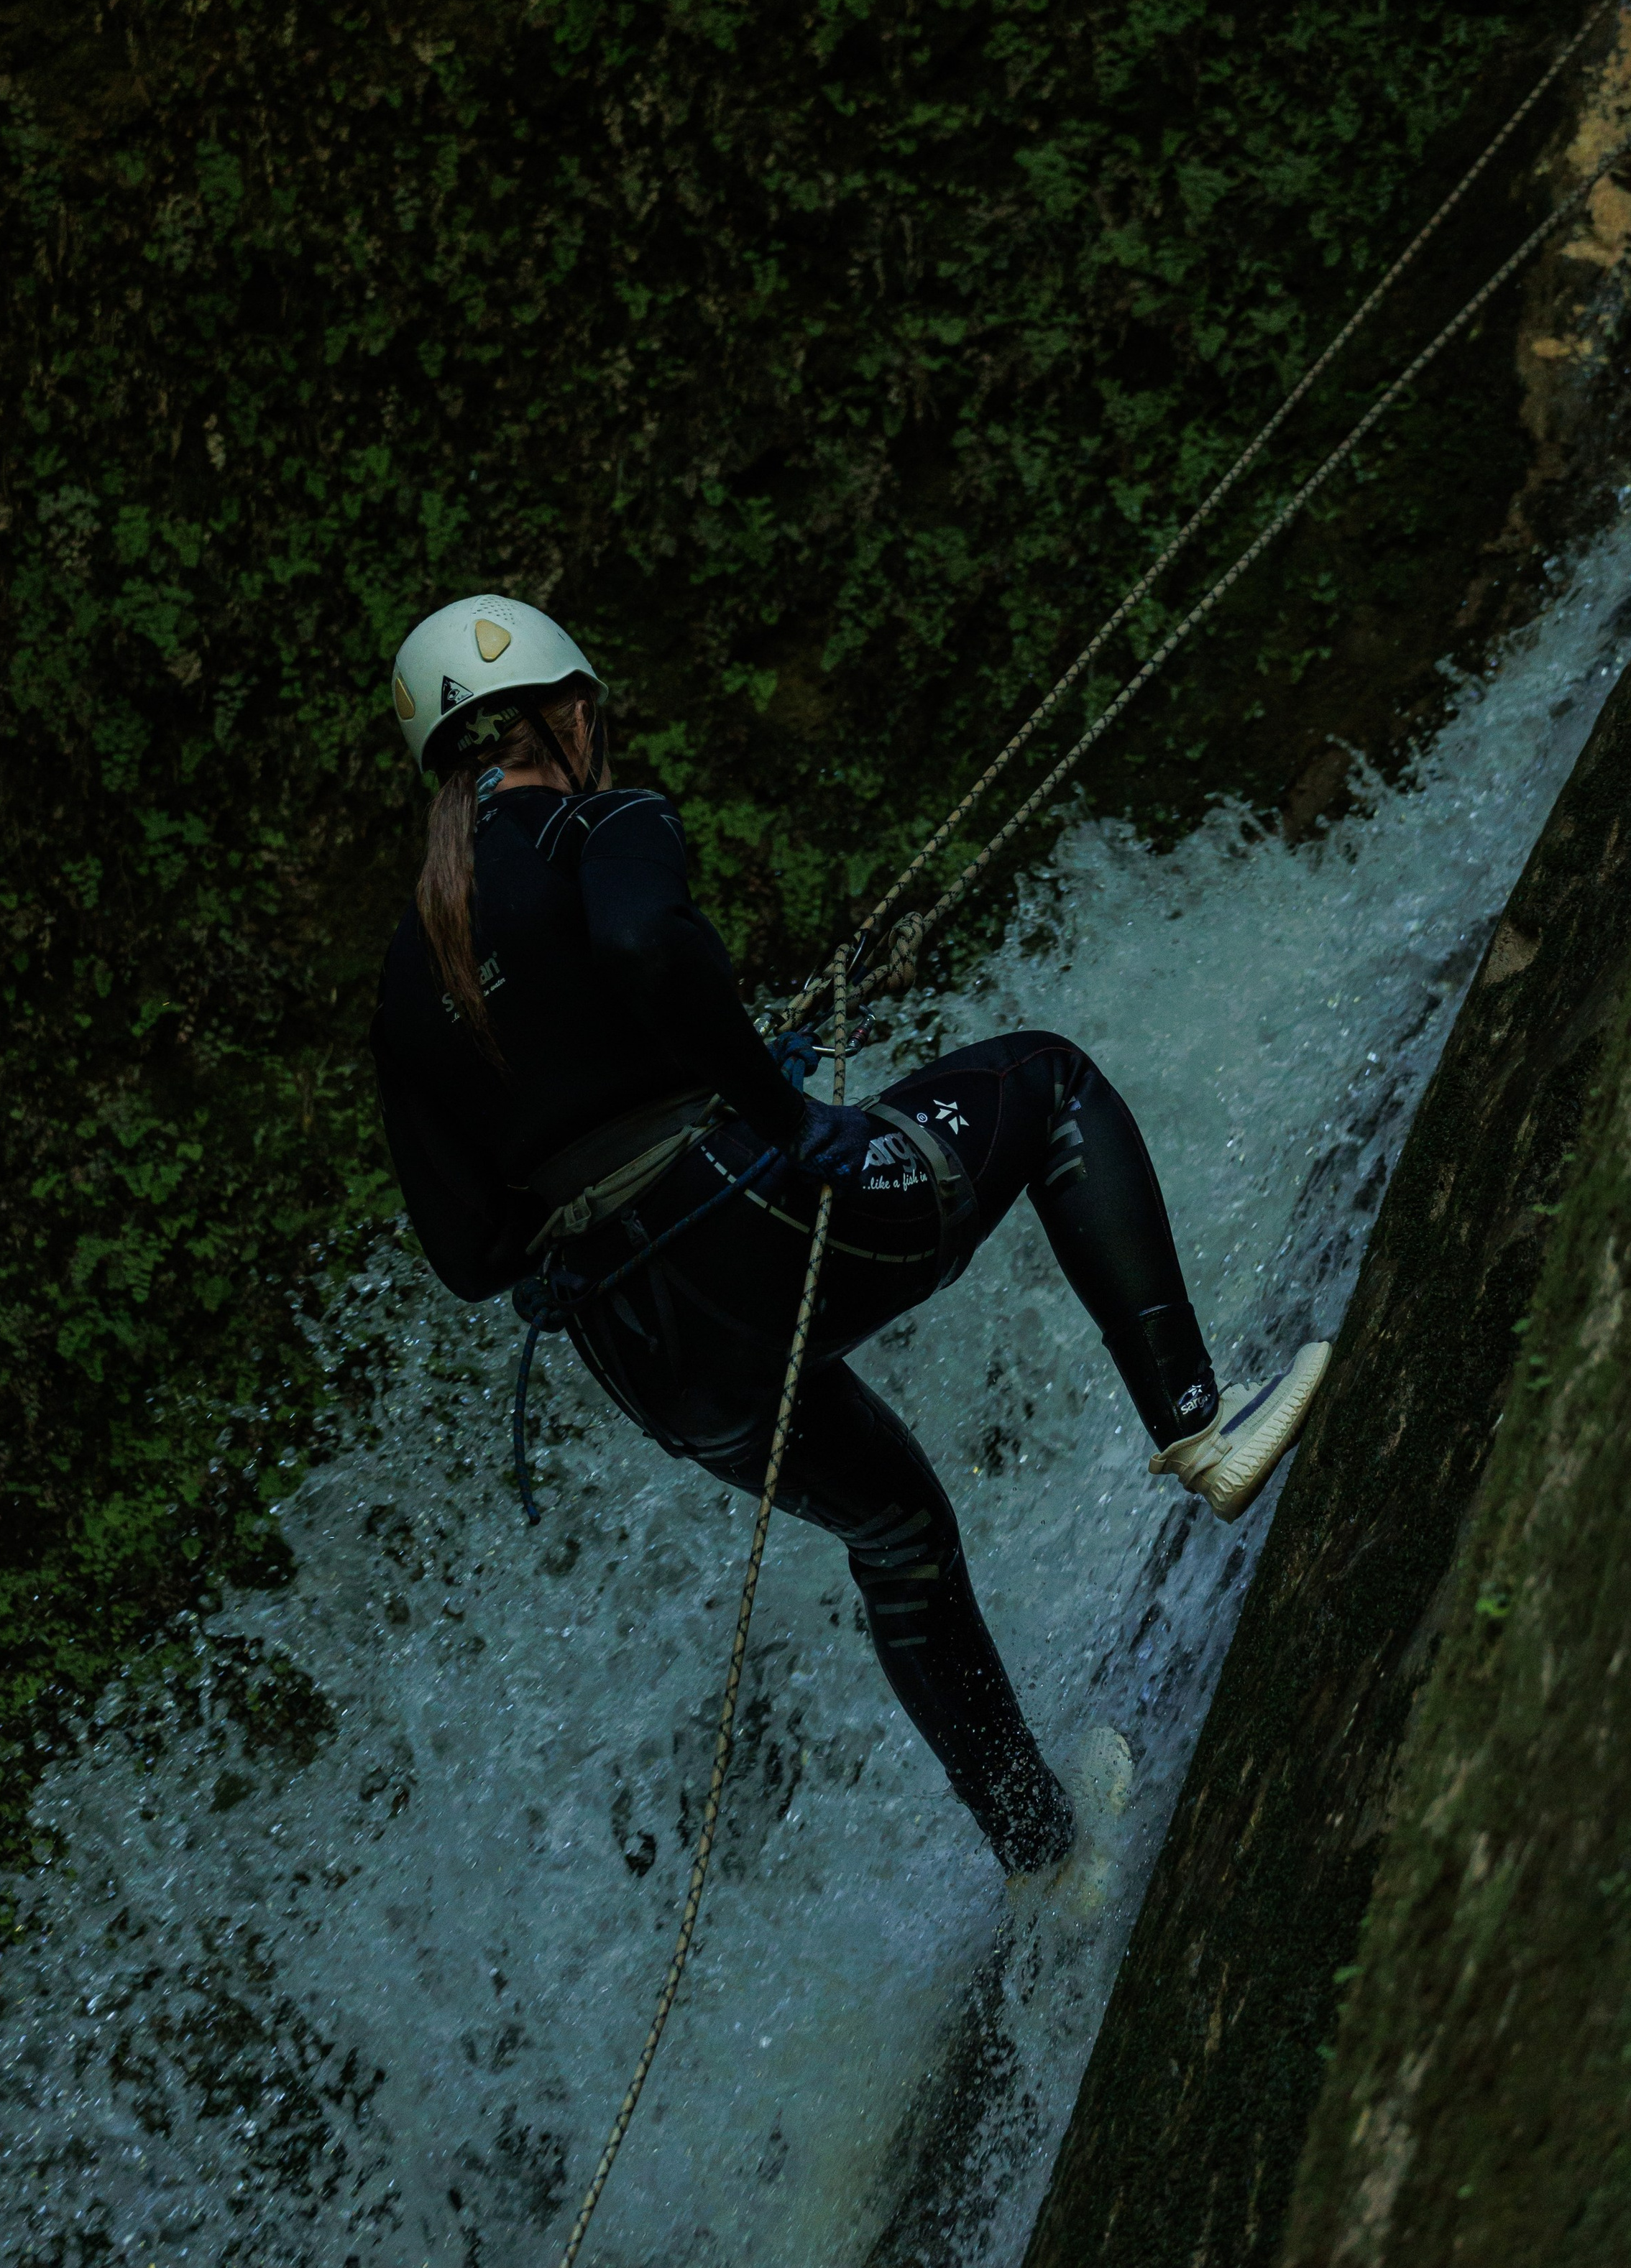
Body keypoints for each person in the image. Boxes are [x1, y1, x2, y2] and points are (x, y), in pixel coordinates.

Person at [372, 596, 1329, 1876]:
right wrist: (776, 1112)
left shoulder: (406, 973)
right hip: (747, 1210)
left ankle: (1046, 1862)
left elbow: (469, 1255)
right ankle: (1201, 1430)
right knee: (1047, 1085)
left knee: (897, 1537)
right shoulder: (607, 820)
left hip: (638, 1345)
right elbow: (643, 939)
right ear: (575, 716)